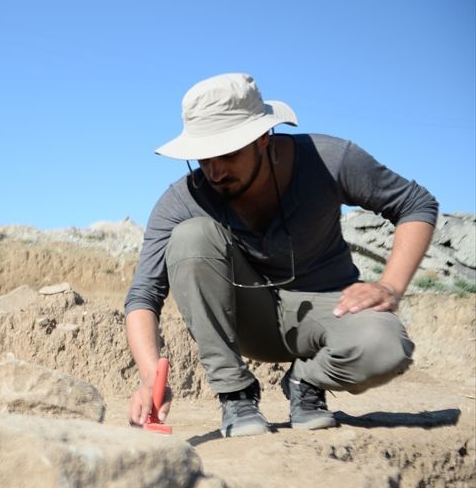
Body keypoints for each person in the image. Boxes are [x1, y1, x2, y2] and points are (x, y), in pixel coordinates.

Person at [125, 73, 437, 437]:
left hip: (330, 310)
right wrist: (150, 376)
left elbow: (416, 204)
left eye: (227, 154)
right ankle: (236, 396)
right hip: (250, 320)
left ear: (263, 139)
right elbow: (143, 295)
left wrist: (391, 286)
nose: (215, 171)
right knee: (190, 237)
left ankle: (305, 383)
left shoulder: (330, 159)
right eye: (203, 158)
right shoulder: (183, 200)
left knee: (385, 348)